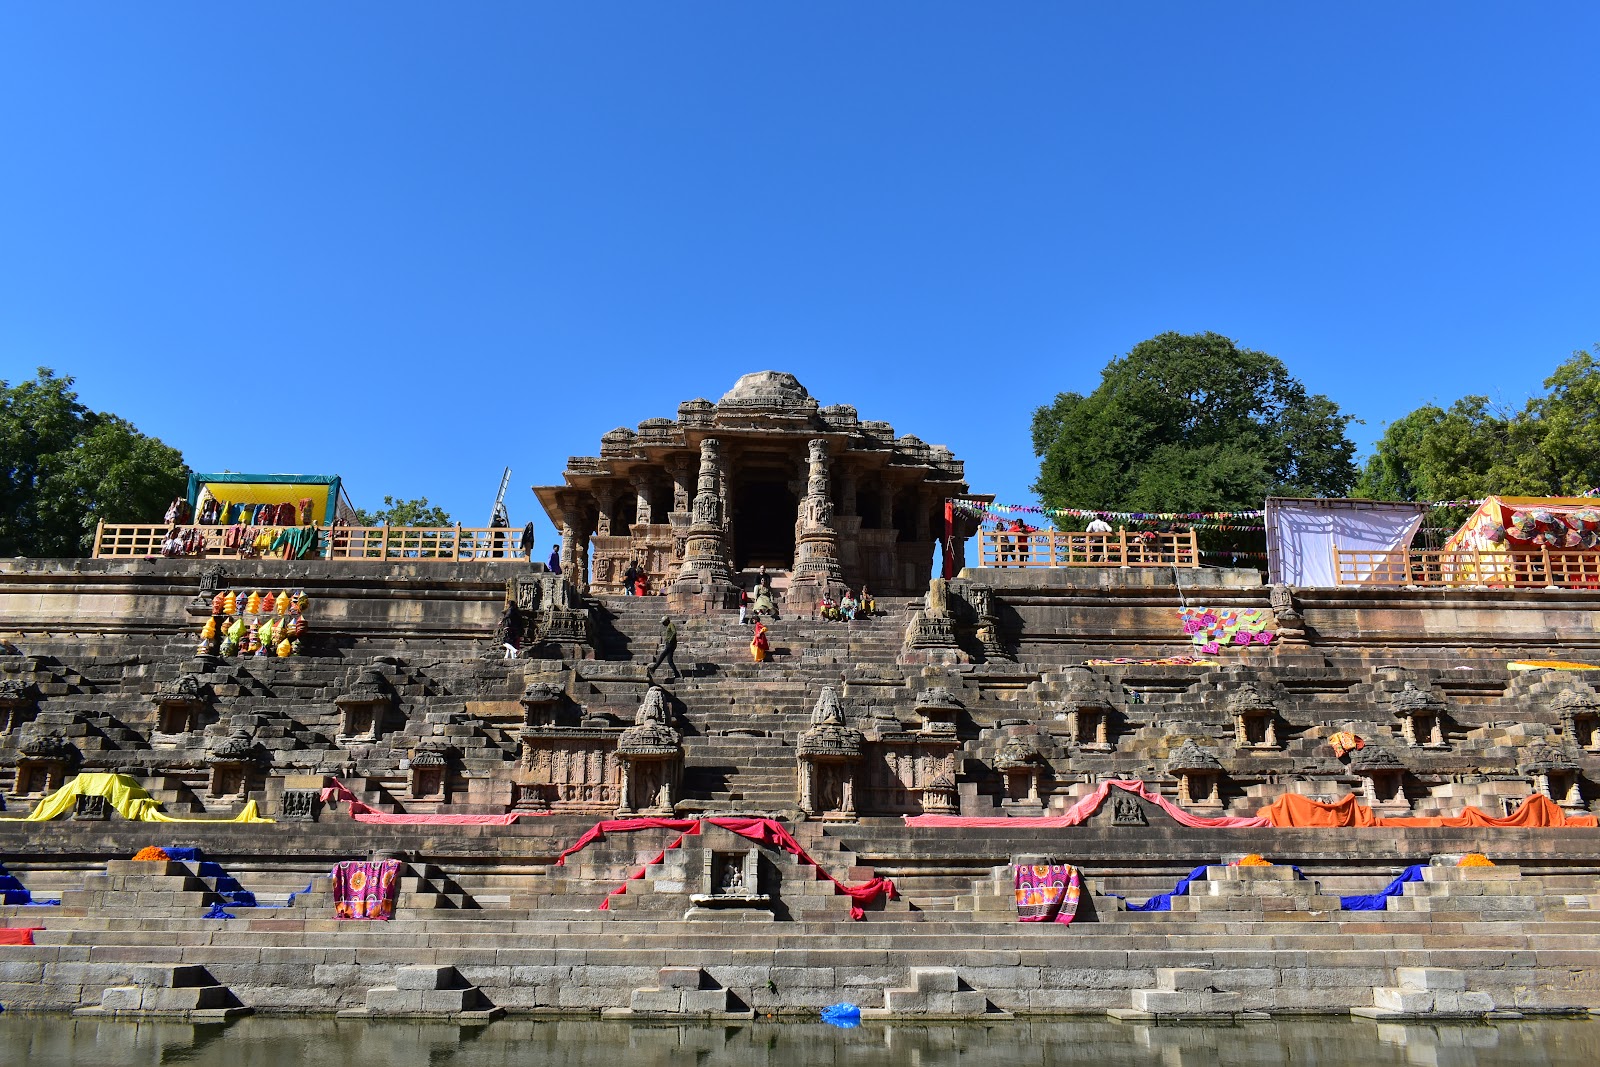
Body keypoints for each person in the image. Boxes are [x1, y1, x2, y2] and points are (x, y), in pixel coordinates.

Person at [647, 615, 681, 682]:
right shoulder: (669, 626)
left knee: (662, 656)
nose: (663, 624)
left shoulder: (671, 624)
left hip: (670, 644)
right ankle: (677, 674)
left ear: (667, 621)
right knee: (669, 660)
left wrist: (670, 640)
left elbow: (674, 632)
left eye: (663, 622)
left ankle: (654, 668)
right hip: (669, 644)